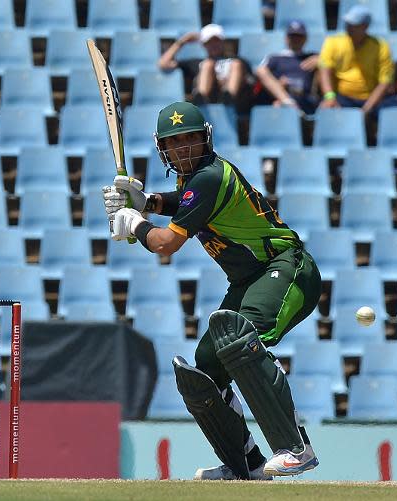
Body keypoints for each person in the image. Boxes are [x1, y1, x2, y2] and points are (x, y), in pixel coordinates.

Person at [102, 102, 321, 480]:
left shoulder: (210, 177)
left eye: (190, 140)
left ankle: (296, 448)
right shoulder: (192, 183)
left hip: (286, 268)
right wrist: (146, 202)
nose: (183, 149)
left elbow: (165, 244)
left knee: (239, 339)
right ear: (163, 149)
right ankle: (245, 464)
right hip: (250, 280)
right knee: (206, 367)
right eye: (175, 143)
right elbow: (180, 204)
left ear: (205, 140)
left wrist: (135, 222)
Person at [318, 4, 396, 115]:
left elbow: (385, 81)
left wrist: (367, 108)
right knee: (326, 108)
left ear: (365, 26)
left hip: (372, 99)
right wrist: (329, 97)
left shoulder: (381, 46)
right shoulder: (333, 42)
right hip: (342, 98)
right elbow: (324, 70)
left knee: (394, 110)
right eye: (347, 23)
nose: (348, 27)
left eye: (353, 24)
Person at [158, 24, 252, 113]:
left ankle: (229, 96)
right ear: (203, 45)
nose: (213, 45)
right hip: (209, 101)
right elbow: (163, 63)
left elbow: (251, 80)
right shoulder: (197, 62)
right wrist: (182, 42)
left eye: (216, 41)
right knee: (207, 65)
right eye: (209, 42)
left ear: (223, 42)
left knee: (236, 64)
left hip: (236, 102)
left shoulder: (238, 60)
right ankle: (201, 97)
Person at [254, 20, 319, 116]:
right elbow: (259, 74)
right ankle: (289, 104)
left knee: (326, 65)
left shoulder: (312, 57)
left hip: (304, 99)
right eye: (292, 36)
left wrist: (321, 59)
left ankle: (291, 107)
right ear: (286, 38)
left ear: (305, 38)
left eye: (299, 36)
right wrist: (278, 85)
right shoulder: (275, 58)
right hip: (281, 98)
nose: (295, 39)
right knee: (260, 70)